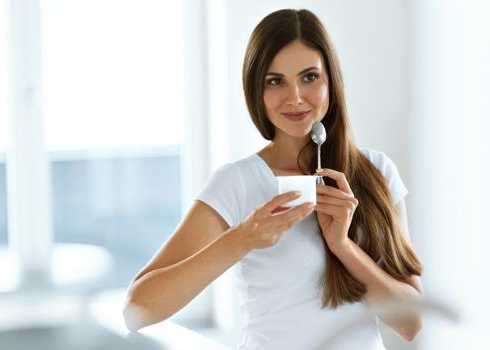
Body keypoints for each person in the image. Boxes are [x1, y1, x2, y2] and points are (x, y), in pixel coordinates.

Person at [123, 8, 423, 350]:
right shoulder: (236, 184)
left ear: (331, 82)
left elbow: (412, 323)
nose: (294, 96)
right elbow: (137, 311)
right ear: (257, 90)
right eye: (275, 81)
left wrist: (343, 246)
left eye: (309, 77)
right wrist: (244, 238)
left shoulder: (377, 172)